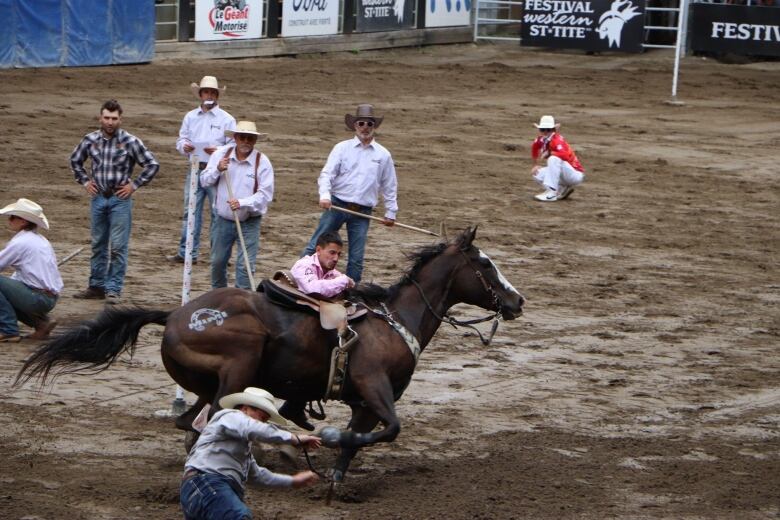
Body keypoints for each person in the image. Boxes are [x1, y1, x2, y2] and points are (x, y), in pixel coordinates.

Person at [180, 387, 321, 519]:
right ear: (245, 409)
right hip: (208, 484)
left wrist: (293, 481)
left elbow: (259, 476)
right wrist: (294, 439)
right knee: (239, 515)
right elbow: (253, 428)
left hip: (201, 489)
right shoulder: (230, 416)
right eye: (262, 418)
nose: (263, 423)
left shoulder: (243, 451)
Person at [69, 99, 159, 303]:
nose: (110, 122)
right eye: (107, 118)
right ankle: (96, 286)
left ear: (120, 119)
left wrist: (133, 185)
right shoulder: (90, 140)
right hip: (99, 196)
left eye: (114, 119)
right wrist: (84, 182)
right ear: (100, 118)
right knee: (98, 244)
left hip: (120, 198)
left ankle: (113, 288)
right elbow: (75, 160)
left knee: (118, 246)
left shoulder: (130, 141)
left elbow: (152, 164)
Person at [301, 104, 398, 284]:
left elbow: (389, 185)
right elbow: (327, 174)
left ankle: (349, 294)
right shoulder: (341, 148)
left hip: (363, 211)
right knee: (316, 245)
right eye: (361, 123)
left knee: (356, 257)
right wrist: (325, 195)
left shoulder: (383, 155)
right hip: (337, 204)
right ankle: (299, 279)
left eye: (369, 124)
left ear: (374, 126)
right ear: (355, 125)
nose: (365, 128)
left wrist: (391, 212)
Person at [167, 76, 236, 265]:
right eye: (206, 92)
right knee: (190, 211)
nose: (210, 95)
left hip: (217, 171)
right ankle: (187, 252)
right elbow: (181, 140)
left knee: (218, 213)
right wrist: (185, 147)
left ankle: (218, 254)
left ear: (217, 96)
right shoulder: (190, 117)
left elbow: (233, 147)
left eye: (213, 93)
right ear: (200, 94)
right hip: (195, 168)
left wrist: (218, 151)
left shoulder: (227, 119)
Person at [200, 121, 274, 290]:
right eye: (243, 137)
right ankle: (218, 297)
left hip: (249, 221)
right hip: (222, 219)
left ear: (255, 140)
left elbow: (265, 195)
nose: (246, 141)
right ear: (235, 138)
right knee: (218, 262)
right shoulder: (220, 155)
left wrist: (242, 203)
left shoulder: (262, 162)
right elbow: (204, 181)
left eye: (250, 138)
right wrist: (218, 169)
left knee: (245, 266)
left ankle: (244, 302)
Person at [0, 199, 63, 342]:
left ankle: (8, 330)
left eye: (12, 217)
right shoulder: (40, 240)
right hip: (48, 297)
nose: (9, 220)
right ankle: (41, 324)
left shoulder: (20, 242)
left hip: (38, 298)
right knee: (7, 292)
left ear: (22, 221)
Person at [530, 115, 585, 202]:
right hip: (564, 174)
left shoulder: (557, 140)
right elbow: (534, 148)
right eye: (542, 129)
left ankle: (551, 193)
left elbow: (565, 155)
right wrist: (535, 165)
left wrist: (549, 152)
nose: (545, 132)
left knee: (553, 159)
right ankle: (561, 189)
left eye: (548, 130)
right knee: (537, 173)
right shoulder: (542, 139)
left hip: (574, 174)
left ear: (553, 130)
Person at [291, 230, 354, 298]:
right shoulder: (304, 265)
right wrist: (343, 281)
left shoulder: (331, 271)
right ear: (318, 250)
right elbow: (313, 290)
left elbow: (343, 280)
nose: (336, 259)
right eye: (332, 253)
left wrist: (347, 282)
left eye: (338, 254)